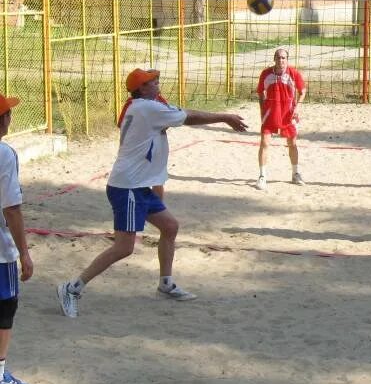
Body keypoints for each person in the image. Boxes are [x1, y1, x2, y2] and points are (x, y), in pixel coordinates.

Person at [56, 69, 248, 318]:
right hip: (127, 187)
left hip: (139, 186)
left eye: (156, 79)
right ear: (141, 88)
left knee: (170, 227)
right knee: (124, 248)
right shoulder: (147, 109)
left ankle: (165, 283)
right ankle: (72, 288)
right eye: (151, 81)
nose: (157, 82)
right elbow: (190, 116)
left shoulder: (143, 106)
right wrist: (224, 117)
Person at [0, 94, 33, 384]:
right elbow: (12, 209)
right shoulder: (5, 154)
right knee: (4, 309)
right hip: (0, 252)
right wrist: (24, 252)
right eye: (8, 112)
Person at [256, 47, 307, 190]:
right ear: (274, 59)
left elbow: (303, 91)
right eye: (278, 57)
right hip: (270, 113)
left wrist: (298, 107)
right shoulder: (266, 74)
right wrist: (262, 110)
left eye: (283, 57)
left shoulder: (293, 73)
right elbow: (260, 93)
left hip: (288, 114)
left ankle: (295, 173)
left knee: (292, 144)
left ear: (287, 60)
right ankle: (262, 176)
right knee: (264, 143)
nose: (281, 60)